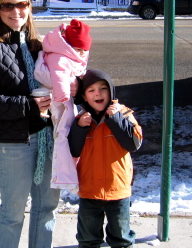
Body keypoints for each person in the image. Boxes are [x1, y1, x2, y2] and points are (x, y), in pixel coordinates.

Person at [0, 0, 62, 248]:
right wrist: (29, 106)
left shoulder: (39, 45)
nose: (16, 11)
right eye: (7, 5)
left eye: (22, 4)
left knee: (46, 208)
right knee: (12, 213)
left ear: (29, 7)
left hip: (48, 138)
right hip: (13, 144)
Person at [67, 69, 143, 248]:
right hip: (89, 191)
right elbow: (73, 150)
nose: (98, 94)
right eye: (91, 90)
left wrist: (115, 119)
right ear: (85, 97)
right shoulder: (81, 119)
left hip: (117, 190)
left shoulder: (123, 114)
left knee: (121, 239)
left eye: (103, 89)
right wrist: (79, 128)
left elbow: (134, 144)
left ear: (111, 92)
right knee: (88, 239)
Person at [34, 19, 91, 192]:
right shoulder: (60, 57)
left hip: (60, 99)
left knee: (66, 134)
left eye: (84, 50)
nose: (81, 54)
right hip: (57, 99)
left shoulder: (69, 54)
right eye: (78, 50)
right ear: (69, 46)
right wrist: (63, 96)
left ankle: (66, 174)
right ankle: (65, 176)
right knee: (63, 133)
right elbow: (59, 78)